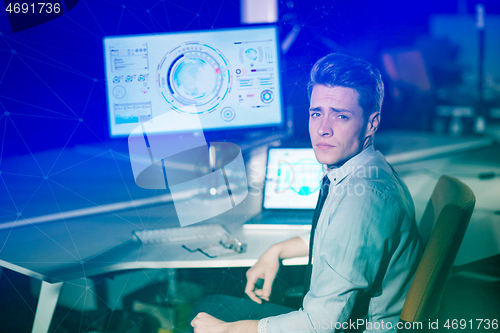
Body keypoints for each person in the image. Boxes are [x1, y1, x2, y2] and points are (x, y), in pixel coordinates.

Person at [191, 53, 423, 333]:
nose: (323, 129)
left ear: (372, 123)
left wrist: (227, 330)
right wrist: (278, 249)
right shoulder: (365, 168)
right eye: (316, 113)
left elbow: (319, 324)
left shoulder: (362, 200)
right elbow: (341, 237)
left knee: (205, 309)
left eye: (341, 115)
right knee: (214, 305)